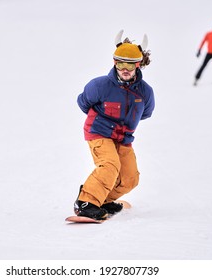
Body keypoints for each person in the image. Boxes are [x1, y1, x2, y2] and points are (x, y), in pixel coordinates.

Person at [74, 30, 155, 220]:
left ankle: (101, 199)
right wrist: (103, 120)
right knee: (110, 165)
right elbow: (83, 102)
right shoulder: (100, 85)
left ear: (138, 65)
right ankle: (87, 203)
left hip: (123, 137)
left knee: (130, 178)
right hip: (99, 132)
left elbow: (146, 113)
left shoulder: (145, 93)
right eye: (120, 63)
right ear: (114, 63)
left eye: (129, 64)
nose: (124, 69)